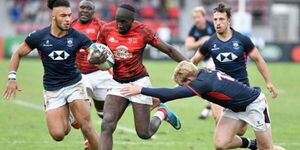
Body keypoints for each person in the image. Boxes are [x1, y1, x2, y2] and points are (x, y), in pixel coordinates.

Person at [121, 61, 285, 150]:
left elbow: (173, 93)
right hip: (234, 108)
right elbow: (177, 92)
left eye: (183, 84)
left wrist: (140, 89)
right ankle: (252, 144)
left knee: (267, 149)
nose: (183, 86)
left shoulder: (201, 83)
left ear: (189, 80)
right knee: (220, 144)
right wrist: (161, 100)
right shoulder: (203, 74)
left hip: (253, 105)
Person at [2, 0, 99, 150]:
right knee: (58, 134)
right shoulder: (39, 36)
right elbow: (18, 53)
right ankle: (70, 116)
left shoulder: (78, 36)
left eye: (69, 15)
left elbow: (95, 52)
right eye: (63, 16)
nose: (67, 19)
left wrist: (99, 56)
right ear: (53, 16)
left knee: (86, 126)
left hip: (75, 84)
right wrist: (12, 78)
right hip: (52, 89)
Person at [95, 4, 188, 150]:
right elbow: (97, 52)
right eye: (117, 20)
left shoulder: (143, 31)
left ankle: (162, 113)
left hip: (139, 83)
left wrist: (189, 66)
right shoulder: (107, 29)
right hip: (117, 83)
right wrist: (95, 59)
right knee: (107, 124)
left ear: (132, 21)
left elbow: (169, 50)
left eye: (123, 21)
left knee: (144, 133)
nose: (119, 24)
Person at [191, 3, 278, 135]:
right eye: (215, 20)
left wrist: (268, 82)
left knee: (241, 132)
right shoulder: (210, 42)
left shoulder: (242, 40)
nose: (218, 23)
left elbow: (258, 59)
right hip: (219, 87)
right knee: (218, 120)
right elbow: (194, 61)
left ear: (229, 21)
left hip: (241, 88)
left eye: (221, 19)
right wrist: (189, 77)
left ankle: (248, 142)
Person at [70, 0, 112, 149]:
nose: (85, 10)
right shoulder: (71, 26)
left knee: (104, 114)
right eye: (82, 7)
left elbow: (110, 46)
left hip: (100, 73)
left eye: (89, 8)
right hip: (79, 74)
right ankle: (88, 141)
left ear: (93, 12)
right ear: (78, 9)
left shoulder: (101, 26)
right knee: (84, 107)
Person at [185, 6, 216, 120]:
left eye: (198, 17)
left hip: (215, 58)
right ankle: (210, 108)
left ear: (204, 17)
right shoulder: (194, 29)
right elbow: (188, 46)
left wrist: (211, 39)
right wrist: (201, 42)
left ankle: (207, 109)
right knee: (210, 85)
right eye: (194, 18)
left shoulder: (212, 25)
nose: (196, 20)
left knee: (210, 82)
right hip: (204, 59)